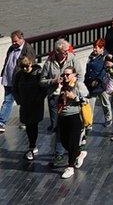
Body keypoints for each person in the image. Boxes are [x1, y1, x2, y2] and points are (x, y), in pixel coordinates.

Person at [41, 39, 79, 167]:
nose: (67, 53)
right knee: (57, 126)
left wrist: (74, 88)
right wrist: (54, 81)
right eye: (64, 51)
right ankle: (59, 153)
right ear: (57, 51)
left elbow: (80, 75)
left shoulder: (72, 58)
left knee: (69, 127)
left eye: (68, 50)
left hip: (70, 98)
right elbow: (42, 80)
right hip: (54, 98)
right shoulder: (49, 62)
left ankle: (72, 150)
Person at [55, 67, 88, 179]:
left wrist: (75, 97)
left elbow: (86, 99)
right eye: (64, 74)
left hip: (75, 116)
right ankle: (79, 153)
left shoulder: (79, 85)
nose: (65, 77)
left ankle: (70, 167)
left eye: (68, 74)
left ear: (74, 75)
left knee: (73, 142)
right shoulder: (63, 85)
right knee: (64, 142)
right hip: (63, 116)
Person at [1, 29, 36, 133]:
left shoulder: (28, 49)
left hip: (18, 81)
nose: (13, 43)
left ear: (22, 39)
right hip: (8, 79)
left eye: (16, 41)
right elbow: (7, 62)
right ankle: (4, 122)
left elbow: (30, 65)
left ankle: (3, 122)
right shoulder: (12, 48)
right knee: (12, 100)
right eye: (12, 41)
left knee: (16, 101)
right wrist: (2, 74)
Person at [12, 55, 45, 161]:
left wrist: (39, 99)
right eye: (22, 67)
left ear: (30, 64)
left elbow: (43, 88)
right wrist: (19, 100)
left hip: (35, 104)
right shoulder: (19, 75)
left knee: (33, 125)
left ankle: (32, 146)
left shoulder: (38, 73)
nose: (25, 69)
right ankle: (32, 144)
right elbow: (15, 88)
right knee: (28, 125)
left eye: (26, 67)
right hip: (25, 104)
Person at [84, 40, 112, 127]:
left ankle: (109, 119)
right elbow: (88, 70)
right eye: (94, 47)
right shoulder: (91, 56)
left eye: (96, 47)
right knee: (90, 105)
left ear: (101, 48)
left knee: (105, 103)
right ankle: (89, 122)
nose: (94, 49)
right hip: (91, 85)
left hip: (101, 84)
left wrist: (97, 80)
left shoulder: (105, 57)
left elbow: (104, 71)